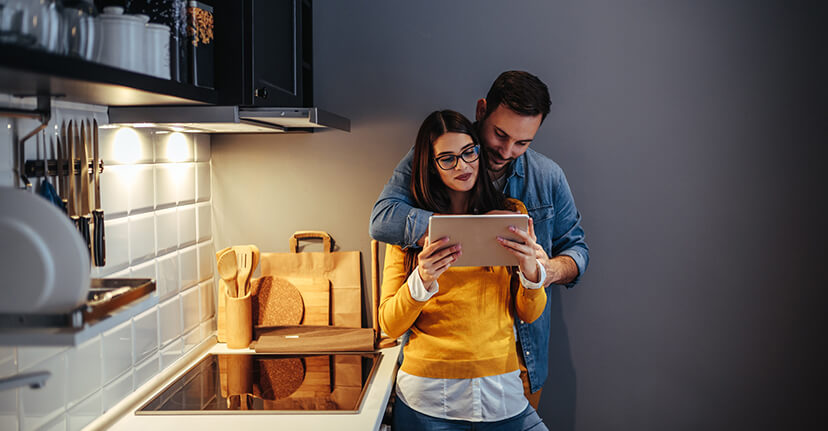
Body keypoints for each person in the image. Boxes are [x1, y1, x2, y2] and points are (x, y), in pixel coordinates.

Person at [370, 71, 589, 408]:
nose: (507, 150)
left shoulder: (547, 177)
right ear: (481, 110)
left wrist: (543, 271)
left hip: (522, 361)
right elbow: (383, 218)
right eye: (500, 134)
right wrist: (465, 227)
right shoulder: (441, 150)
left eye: (523, 142)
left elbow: (576, 251)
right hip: (436, 375)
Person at [379, 109, 548, 430]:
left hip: (501, 392)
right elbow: (389, 323)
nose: (463, 165)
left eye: (469, 153)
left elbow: (529, 313)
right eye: (448, 158)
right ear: (431, 165)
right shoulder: (409, 229)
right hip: (427, 397)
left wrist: (530, 269)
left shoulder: (511, 213)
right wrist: (423, 278)